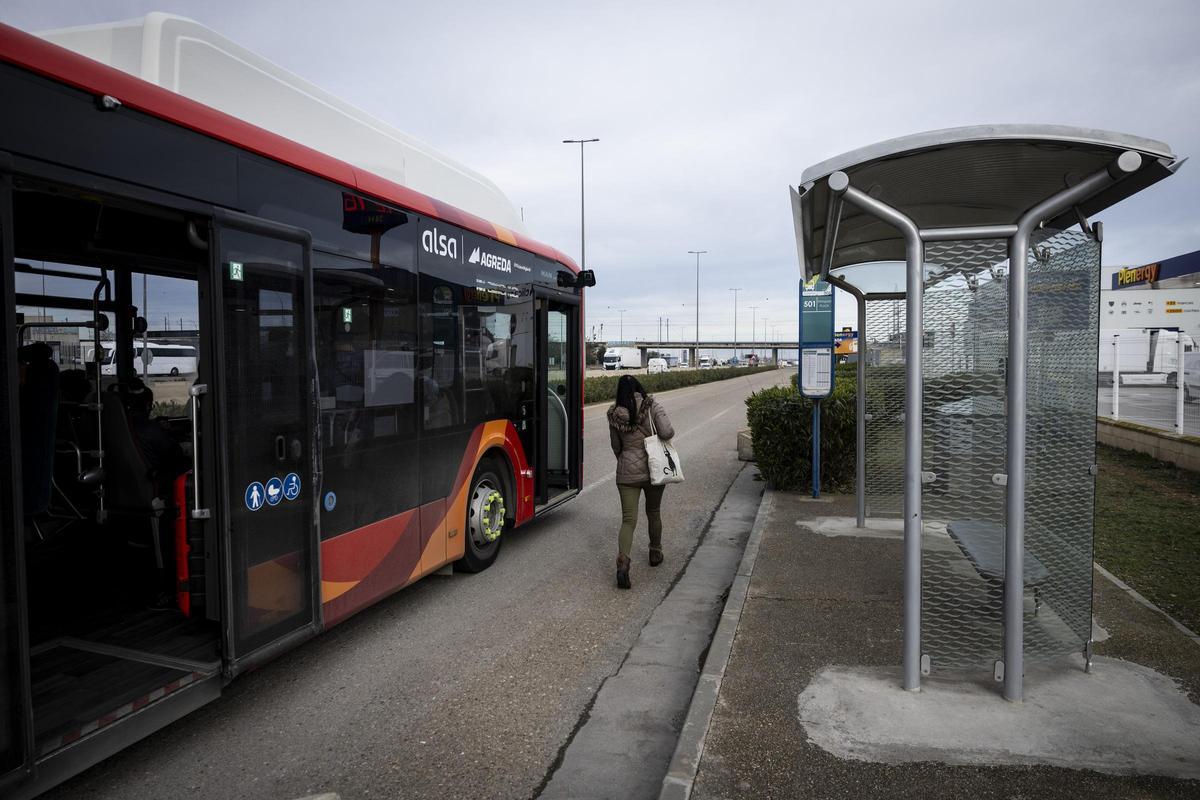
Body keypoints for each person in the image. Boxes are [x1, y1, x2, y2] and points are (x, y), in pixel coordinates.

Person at [607, 375, 674, 589]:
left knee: (628, 520)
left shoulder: (614, 414)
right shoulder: (652, 405)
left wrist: (627, 461)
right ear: (639, 388)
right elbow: (666, 432)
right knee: (653, 512)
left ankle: (623, 563)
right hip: (654, 469)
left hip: (626, 473)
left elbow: (616, 447)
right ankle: (655, 552)